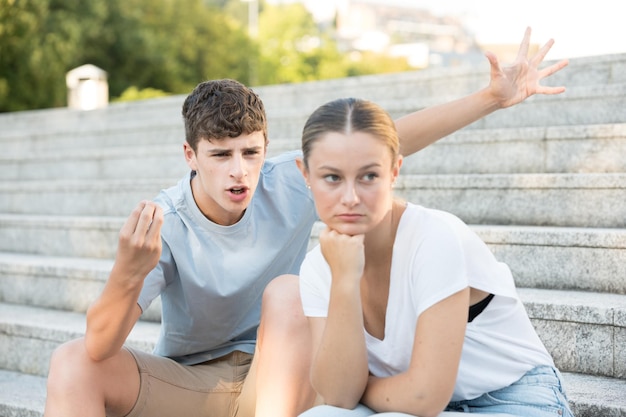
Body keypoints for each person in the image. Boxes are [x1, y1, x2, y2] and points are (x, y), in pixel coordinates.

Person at [43, 28, 568, 417]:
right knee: (71, 362)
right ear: (190, 155)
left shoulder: (291, 181)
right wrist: (128, 272)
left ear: (268, 150)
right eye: (221, 155)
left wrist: (492, 97)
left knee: (290, 291)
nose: (238, 170)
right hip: (197, 381)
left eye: (250, 152)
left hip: (287, 371)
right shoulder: (168, 220)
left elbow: (383, 143)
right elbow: (97, 347)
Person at [294, 98, 574, 416]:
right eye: (332, 178)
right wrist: (344, 280)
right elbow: (339, 395)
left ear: (395, 170)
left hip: (512, 401)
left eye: (369, 176)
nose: (350, 198)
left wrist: (367, 387)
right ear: (305, 173)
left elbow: (425, 397)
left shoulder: (435, 237)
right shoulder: (318, 267)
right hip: (401, 403)